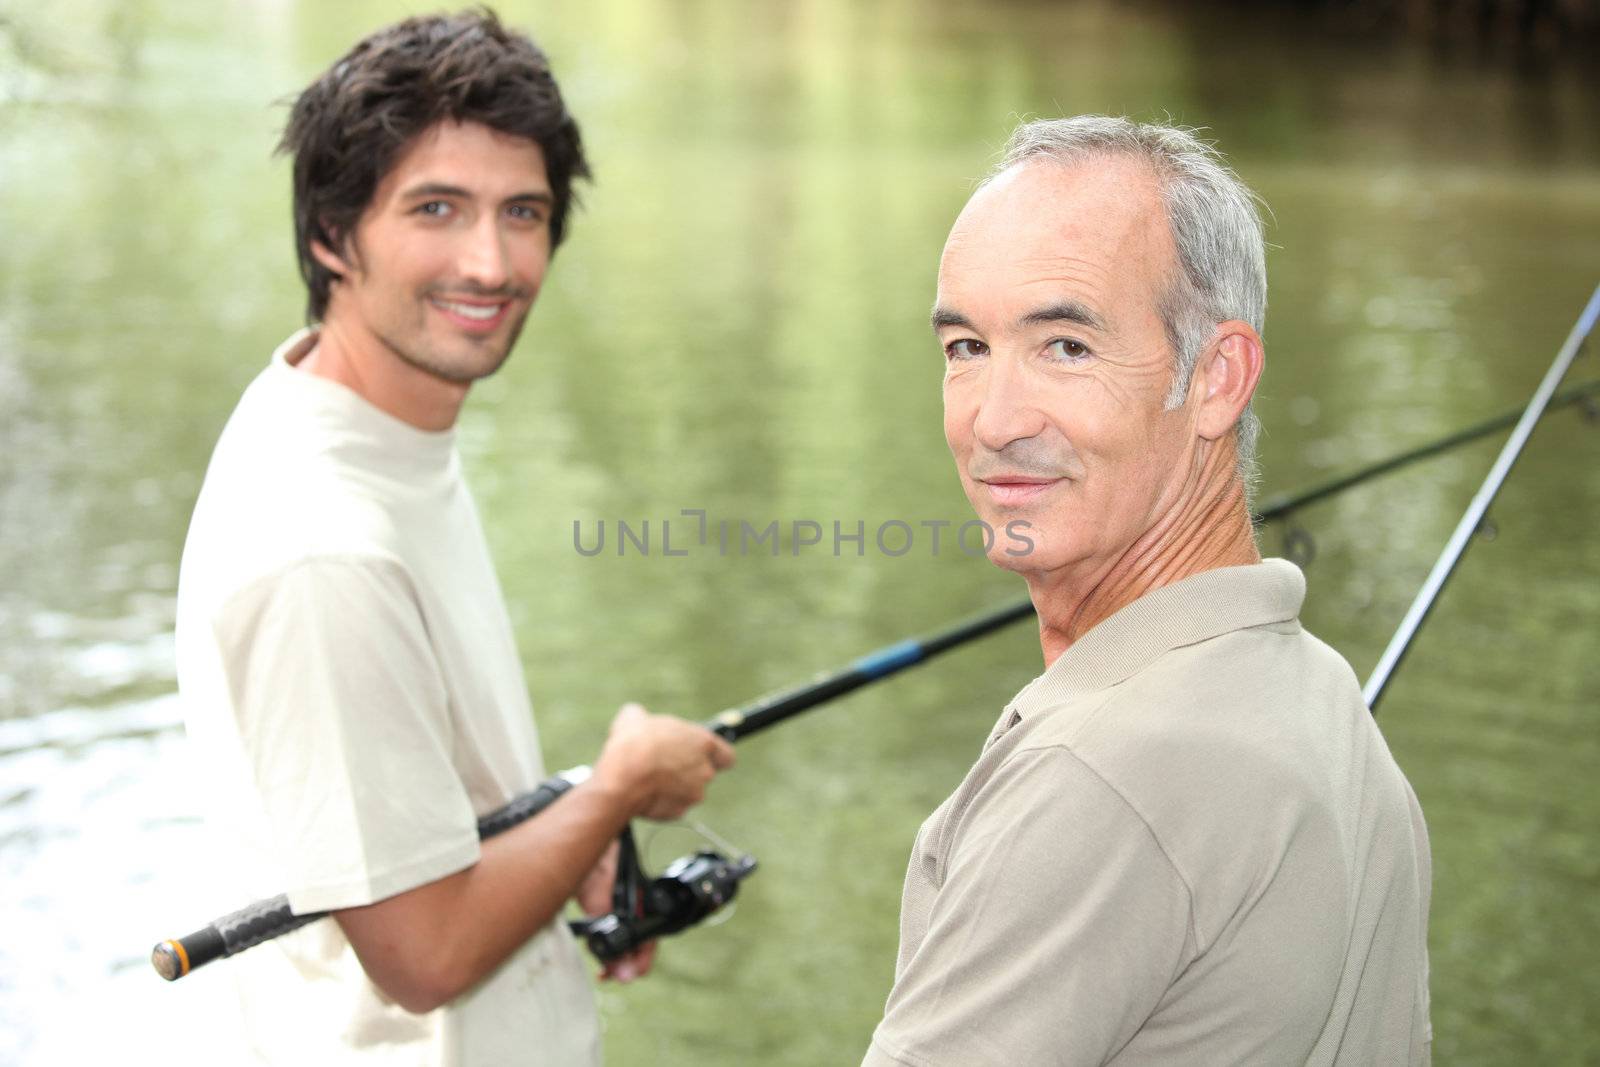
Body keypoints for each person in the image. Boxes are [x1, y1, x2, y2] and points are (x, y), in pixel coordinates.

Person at [173, 11, 734, 1065]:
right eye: (437, 208)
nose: (490, 261)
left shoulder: (366, 419)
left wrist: (563, 821)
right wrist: (614, 789)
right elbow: (423, 952)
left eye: (521, 212)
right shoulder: (322, 548)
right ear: (330, 235)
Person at [863, 116, 1432, 1066]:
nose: (993, 421)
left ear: (1218, 377)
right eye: (966, 346)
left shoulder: (1098, 781)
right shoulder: (1327, 701)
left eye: (1067, 347)